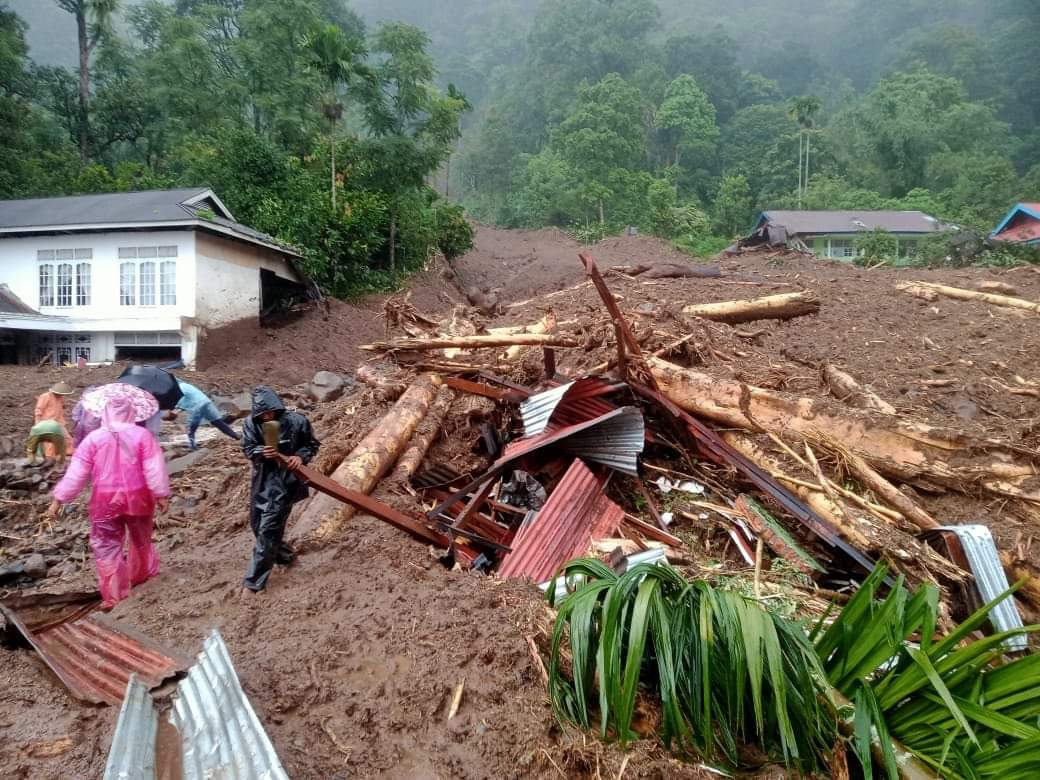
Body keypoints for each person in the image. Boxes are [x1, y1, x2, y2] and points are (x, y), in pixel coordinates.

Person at [48, 395, 171, 609]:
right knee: (141, 539)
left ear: (104, 412)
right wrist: (160, 494)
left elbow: (76, 473)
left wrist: (58, 499)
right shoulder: (143, 436)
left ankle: (114, 595)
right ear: (132, 413)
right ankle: (140, 576)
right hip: (139, 497)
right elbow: (154, 468)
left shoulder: (93, 439)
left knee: (106, 546)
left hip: (104, 500)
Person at [241, 386, 319, 593]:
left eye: (270, 412)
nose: (267, 416)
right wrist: (261, 452)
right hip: (262, 479)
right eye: (262, 414)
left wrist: (300, 456)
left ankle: (254, 583)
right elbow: (248, 448)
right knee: (257, 525)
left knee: (268, 530)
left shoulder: (297, 421)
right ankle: (286, 556)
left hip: (287, 481)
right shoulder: (251, 424)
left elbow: (312, 444)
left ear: (278, 408)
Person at [175, 380, 241, 449]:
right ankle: (236, 436)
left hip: (197, 405)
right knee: (218, 422)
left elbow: (181, 400)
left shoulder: (181, 387)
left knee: (190, 428)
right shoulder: (187, 386)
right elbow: (185, 400)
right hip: (206, 402)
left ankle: (192, 446)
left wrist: (176, 410)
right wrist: (178, 409)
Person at [34, 381, 74, 458]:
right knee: (50, 442)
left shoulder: (60, 397)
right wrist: (38, 422)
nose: (62, 395)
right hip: (47, 423)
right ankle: (50, 457)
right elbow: (38, 410)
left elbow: (61, 407)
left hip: (58, 422)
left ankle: (66, 453)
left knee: (68, 439)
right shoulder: (45, 396)